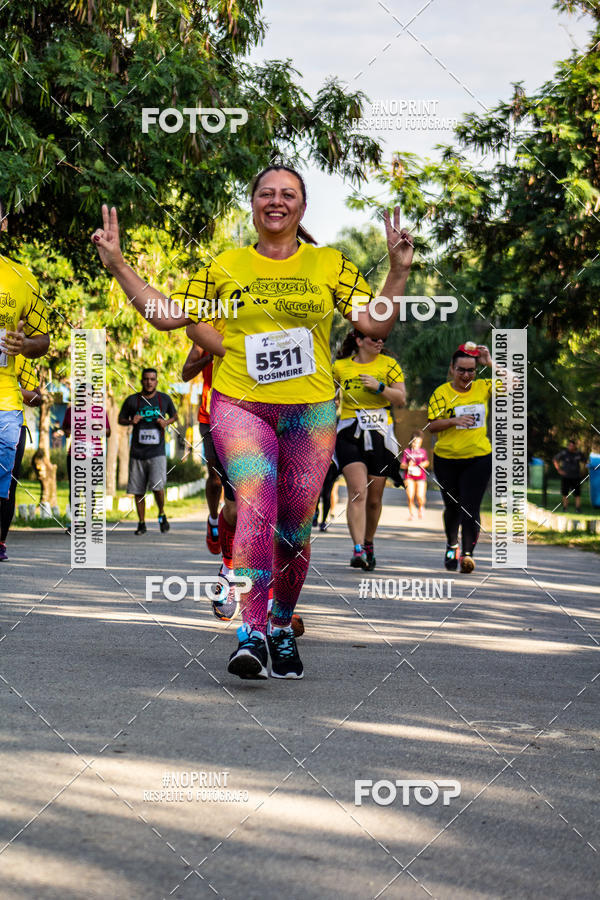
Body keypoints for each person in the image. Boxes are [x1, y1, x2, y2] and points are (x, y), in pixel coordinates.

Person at [92, 166, 413, 679]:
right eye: (267, 193)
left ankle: (282, 625)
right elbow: (168, 314)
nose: (277, 201)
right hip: (240, 403)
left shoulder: (330, 264)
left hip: (310, 411)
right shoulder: (227, 264)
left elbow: (374, 322)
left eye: (288, 194)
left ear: (302, 208)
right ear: (254, 204)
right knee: (256, 505)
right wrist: (119, 265)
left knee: (294, 528)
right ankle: (252, 632)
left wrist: (397, 271)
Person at [333, 330, 406, 571]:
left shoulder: (389, 364)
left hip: (380, 435)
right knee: (357, 492)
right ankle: (357, 549)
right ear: (359, 340)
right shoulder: (341, 367)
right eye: (374, 338)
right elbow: (327, 394)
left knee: (374, 500)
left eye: (382, 338)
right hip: (348, 432)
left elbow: (401, 399)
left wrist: (380, 387)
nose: (380, 342)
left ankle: (368, 542)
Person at [427, 343, 500, 573]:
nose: (466, 375)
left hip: (478, 457)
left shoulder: (483, 387)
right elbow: (431, 425)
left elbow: (515, 384)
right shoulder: (441, 393)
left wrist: (490, 363)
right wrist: (453, 421)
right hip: (447, 459)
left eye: (471, 370)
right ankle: (452, 544)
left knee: (470, 506)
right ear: (452, 369)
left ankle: (467, 555)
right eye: (461, 370)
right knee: (452, 507)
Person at [0, 196, 49, 508]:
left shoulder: (22, 278)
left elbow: (42, 341)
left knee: (2, 489)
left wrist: (25, 345)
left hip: (4, 405)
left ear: (3, 224)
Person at [118, 368, 178, 534]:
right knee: (138, 490)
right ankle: (141, 523)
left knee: (158, 487)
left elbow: (174, 416)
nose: (149, 382)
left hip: (157, 452)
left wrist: (166, 422)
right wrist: (131, 420)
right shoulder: (132, 400)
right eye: (146, 379)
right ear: (141, 381)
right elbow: (120, 419)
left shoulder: (163, 399)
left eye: (152, 379)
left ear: (156, 382)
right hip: (137, 452)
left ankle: (161, 513)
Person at [181, 343, 224, 554]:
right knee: (215, 477)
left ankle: (234, 524)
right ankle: (214, 520)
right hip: (210, 416)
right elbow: (185, 373)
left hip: (245, 411)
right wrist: (209, 357)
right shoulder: (206, 335)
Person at [0, 356, 42, 561]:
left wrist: (14, 389)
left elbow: (37, 398)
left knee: (7, 486)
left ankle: (0, 542)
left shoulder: (19, 357)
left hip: (13, 426)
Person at [62, 394, 111, 535]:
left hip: (94, 454)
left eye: (89, 395)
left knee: (91, 489)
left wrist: (97, 427)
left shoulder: (100, 411)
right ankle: (75, 522)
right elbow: (65, 430)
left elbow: (108, 432)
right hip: (75, 454)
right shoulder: (71, 411)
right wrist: (70, 430)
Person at [401, 430, 429, 519]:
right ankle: (411, 513)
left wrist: (423, 464)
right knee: (410, 496)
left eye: (418, 442)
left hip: (421, 476)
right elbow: (402, 464)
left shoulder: (423, 451)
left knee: (420, 496)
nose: (416, 444)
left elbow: (427, 462)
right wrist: (407, 465)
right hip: (409, 476)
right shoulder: (407, 451)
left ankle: (421, 507)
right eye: (414, 442)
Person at [553, 438, 586, 512]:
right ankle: (565, 508)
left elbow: (584, 462)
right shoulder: (564, 453)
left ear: (575, 446)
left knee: (577, 493)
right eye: (569, 446)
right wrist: (559, 470)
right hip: (566, 476)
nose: (570, 447)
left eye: (572, 446)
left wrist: (583, 471)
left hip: (576, 477)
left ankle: (578, 508)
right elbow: (555, 459)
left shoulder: (578, 454)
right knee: (565, 493)